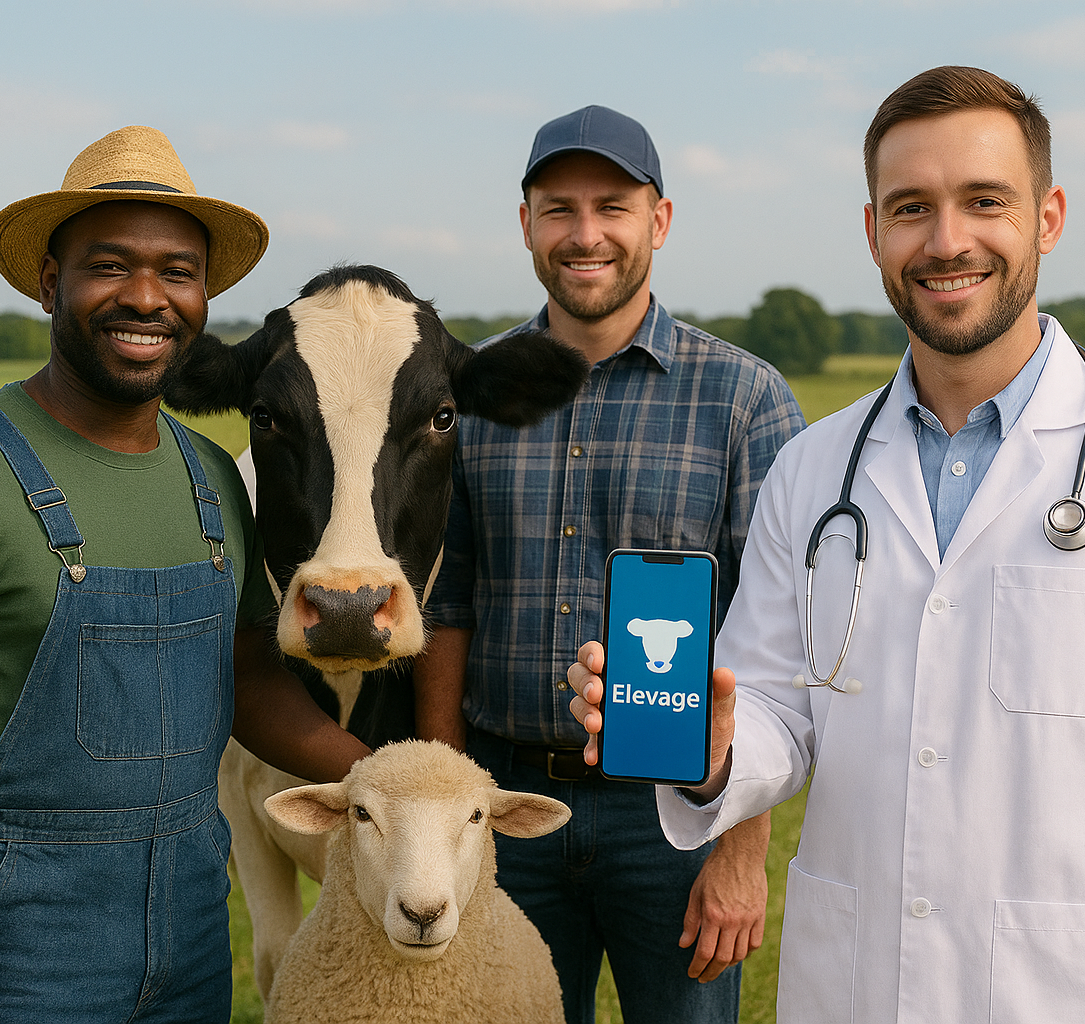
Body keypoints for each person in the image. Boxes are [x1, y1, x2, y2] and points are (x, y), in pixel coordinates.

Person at [568, 67, 1085, 1023]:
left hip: (1081, 994)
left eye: (984, 201)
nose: (947, 240)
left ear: (1048, 218)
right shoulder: (812, 469)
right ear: (873, 231)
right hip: (855, 990)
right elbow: (777, 718)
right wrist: (716, 748)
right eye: (911, 206)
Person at [0, 125, 371, 1024]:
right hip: (16, 949)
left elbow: (239, 678)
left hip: (194, 938)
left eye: (178, 272)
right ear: (52, 280)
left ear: (205, 295)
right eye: (110, 265)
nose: (147, 298)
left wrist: (384, 773)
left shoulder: (212, 479)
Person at [414, 105, 806, 1024]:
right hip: (509, 805)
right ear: (526, 227)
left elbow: (780, 642)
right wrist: (449, 810)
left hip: (675, 819)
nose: (585, 235)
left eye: (612, 207)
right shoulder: (469, 396)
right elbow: (448, 604)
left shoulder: (744, 399)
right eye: (559, 209)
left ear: (658, 222)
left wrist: (741, 851)